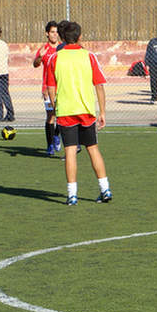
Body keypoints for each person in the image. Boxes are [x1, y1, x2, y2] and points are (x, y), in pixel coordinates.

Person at [45, 20, 111, 206]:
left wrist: (55, 108)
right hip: (86, 110)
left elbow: (51, 88)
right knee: (93, 148)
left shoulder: (55, 58)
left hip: (66, 110)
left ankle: (72, 195)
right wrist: (102, 112)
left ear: (62, 38)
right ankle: (105, 189)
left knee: (70, 151)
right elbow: (99, 85)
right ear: (80, 37)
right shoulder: (88, 56)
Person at [33, 21, 62, 156]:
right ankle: (50, 145)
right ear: (47, 34)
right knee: (50, 116)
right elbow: (35, 64)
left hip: (62, 86)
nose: (55, 35)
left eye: (56, 32)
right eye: (52, 32)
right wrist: (40, 57)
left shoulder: (62, 48)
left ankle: (56, 135)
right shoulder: (44, 49)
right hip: (48, 87)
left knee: (62, 114)